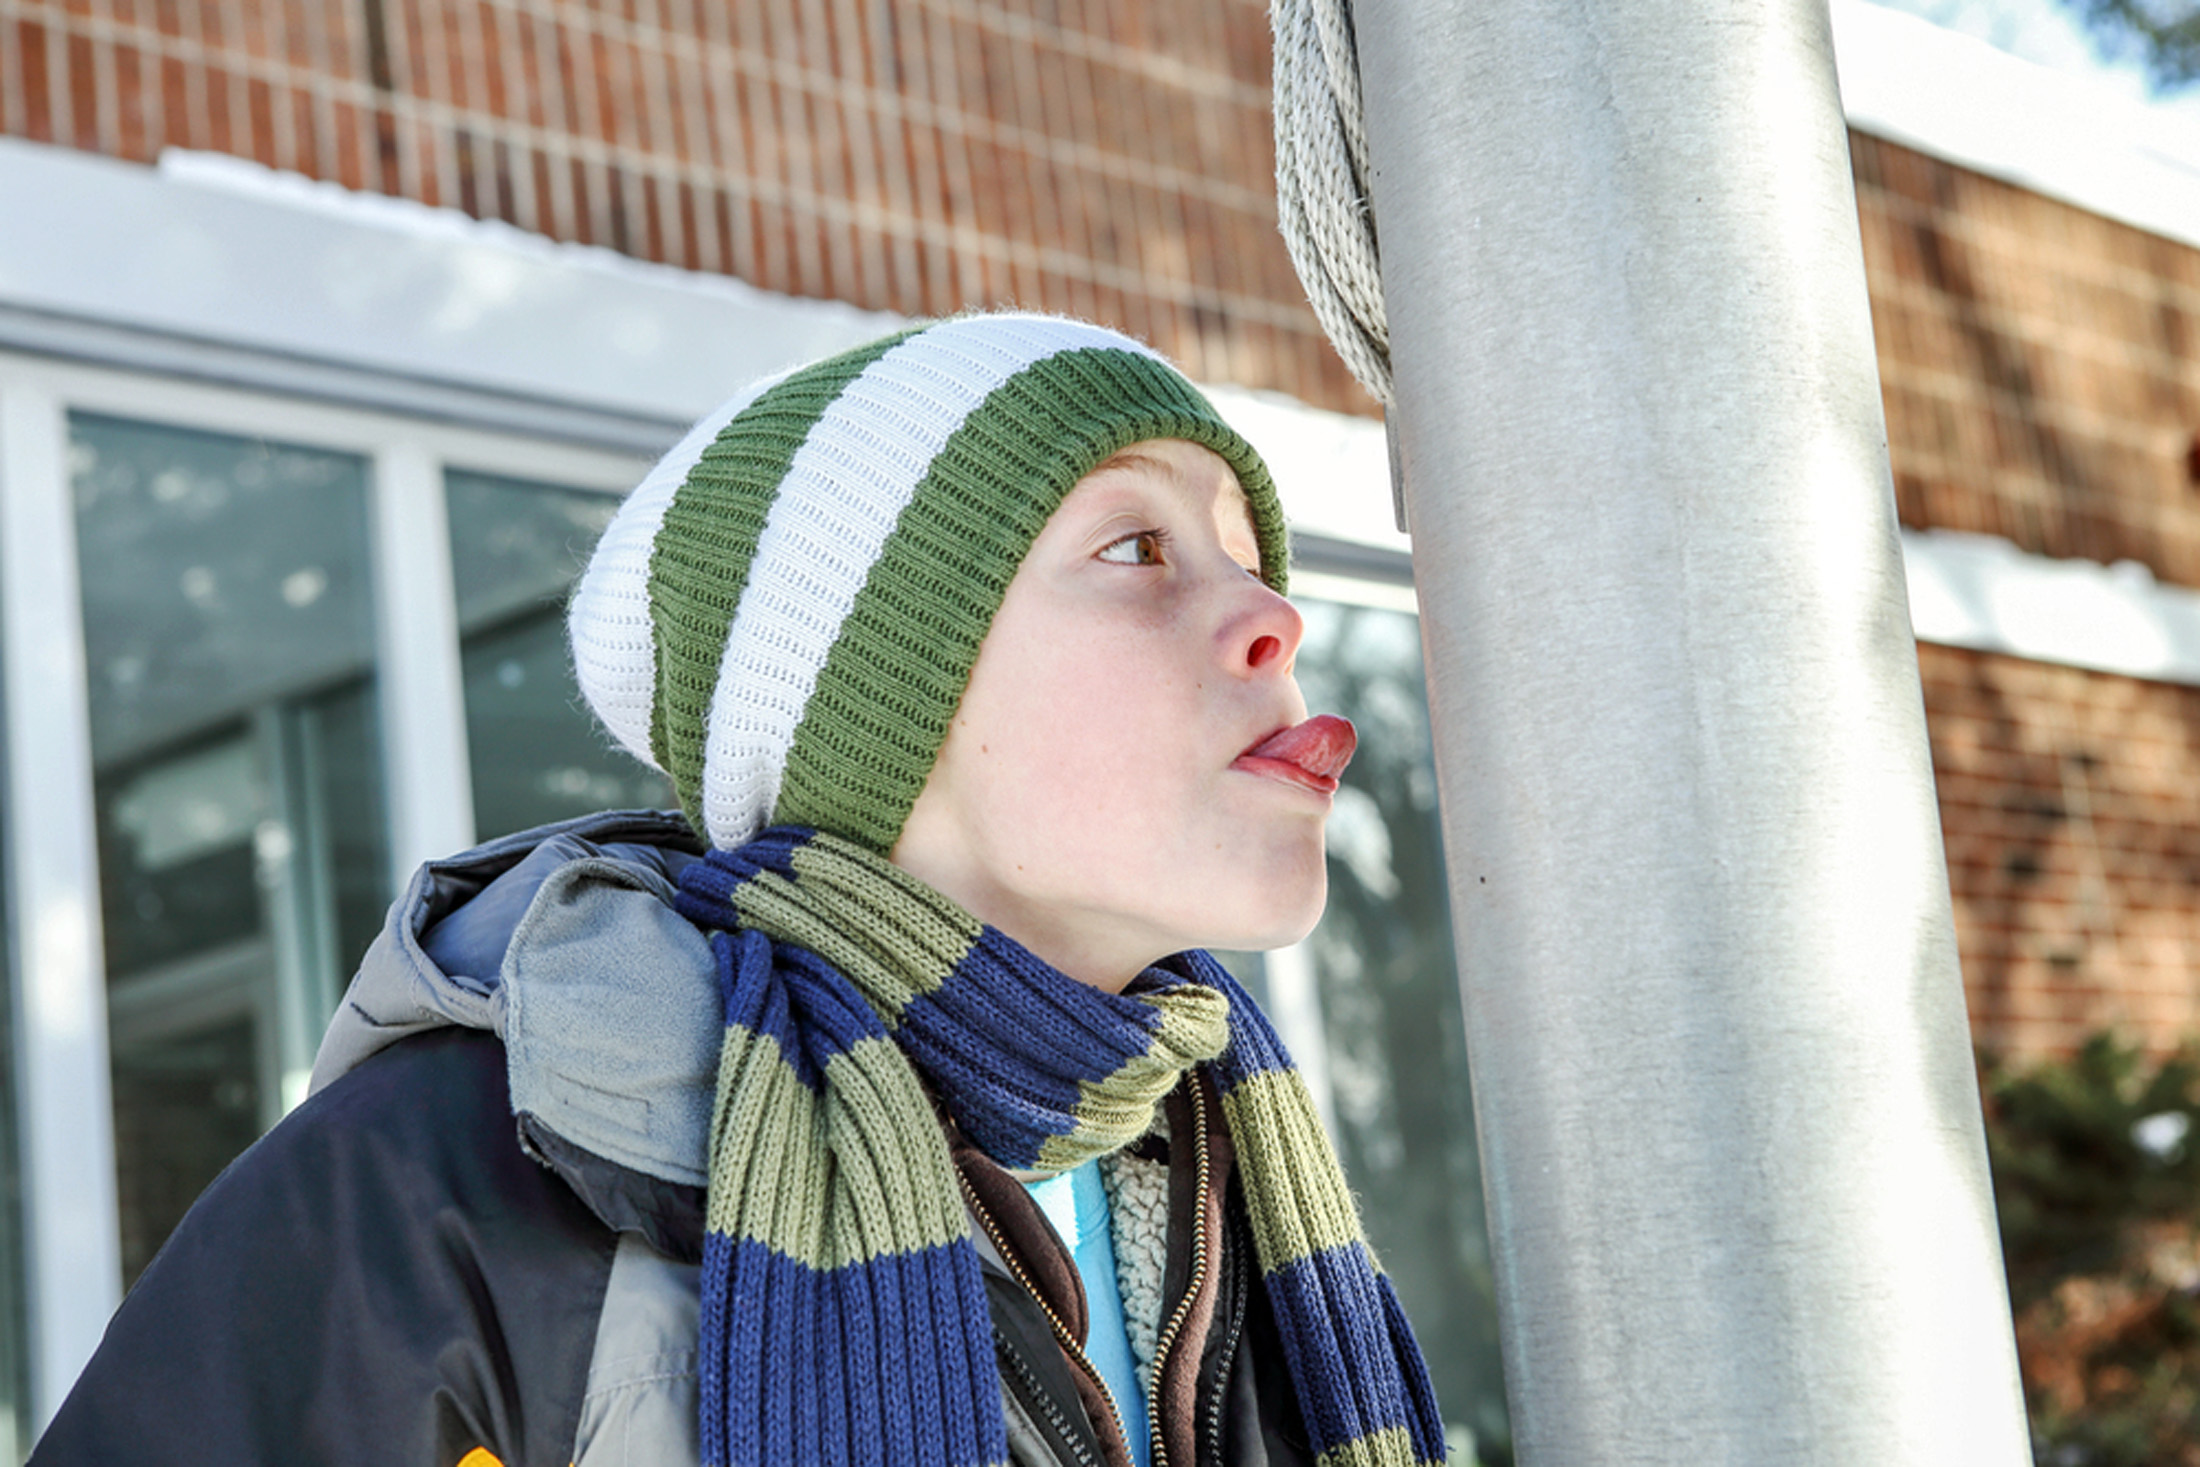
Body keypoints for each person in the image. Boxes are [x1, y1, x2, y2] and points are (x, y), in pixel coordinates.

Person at [33, 313, 1443, 1467]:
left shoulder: (1233, 1190)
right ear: (877, 708)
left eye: (1254, 567)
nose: (1277, 620)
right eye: (1135, 550)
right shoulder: (452, 1195)